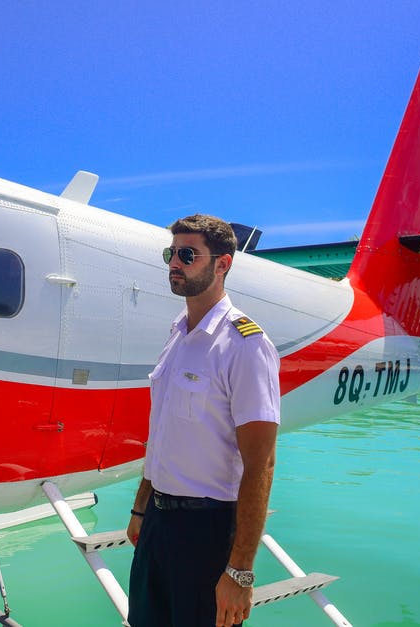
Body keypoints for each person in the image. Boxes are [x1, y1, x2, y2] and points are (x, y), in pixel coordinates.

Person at [126, 214, 281, 627]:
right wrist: (141, 509)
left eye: (187, 254)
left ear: (222, 264)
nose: (175, 263)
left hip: (208, 531)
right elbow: (163, 434)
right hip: (158, 523)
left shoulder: (245, 345)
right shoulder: (177, 334)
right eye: (171, 254)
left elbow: (261, 464)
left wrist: (240, 571)